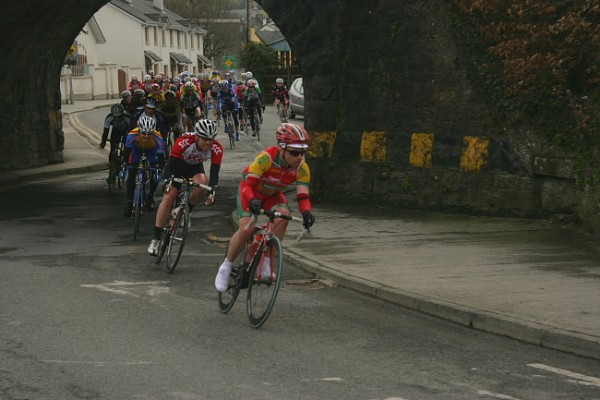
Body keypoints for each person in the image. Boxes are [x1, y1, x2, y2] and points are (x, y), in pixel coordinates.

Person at [214, 123, 316, 292]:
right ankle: (226, 266)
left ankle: (267, 261)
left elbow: (303, 195)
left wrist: (307, 213)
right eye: (295, 152)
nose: (300, 157)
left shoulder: (302, 167)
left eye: (303, 152)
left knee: (283, 215)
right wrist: (253, 200)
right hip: (251, 193)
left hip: (272, 196)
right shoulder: (266, 158)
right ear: (282, 148)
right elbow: (247, 186)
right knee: (247, 228)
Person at [147, 120, 223, 256]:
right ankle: (156, 239)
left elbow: (214, 173)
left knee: (202, 183)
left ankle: (185, 211)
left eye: (211, 139)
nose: (208, 143)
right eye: (205, 139)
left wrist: (212, 191)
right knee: (169, 196)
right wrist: (166, 181)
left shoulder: (216, 148)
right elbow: (170, 164)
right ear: (197, 137)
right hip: (177, 166)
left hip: (194, 168)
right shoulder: (184, 141)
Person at [122, 116, 165, 217]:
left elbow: (161, 159)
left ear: (153, 132)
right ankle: (129, 203)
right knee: (131, 173)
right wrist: (125, 164)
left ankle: (150, 197)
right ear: (139, 130)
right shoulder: (131, 135)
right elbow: (127, 152)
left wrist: (159, 168)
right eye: (143, 133)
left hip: (152, 150)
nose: (146, 136)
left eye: (149, 133)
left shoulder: (158, 137)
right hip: (136, 150)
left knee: (155, 173)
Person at [100, 103, 132, 183]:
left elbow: (132, 132)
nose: (117, 118)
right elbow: (106, 131)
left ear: (122, 114)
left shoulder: (128, 118)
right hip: (116, 131)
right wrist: (103, 142)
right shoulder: (109, 118)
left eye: (119, 116)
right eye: (115, 117)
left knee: (127, 148)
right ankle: (112, 169)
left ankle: (125, 163)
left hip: (126, 131)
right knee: (113, 149)